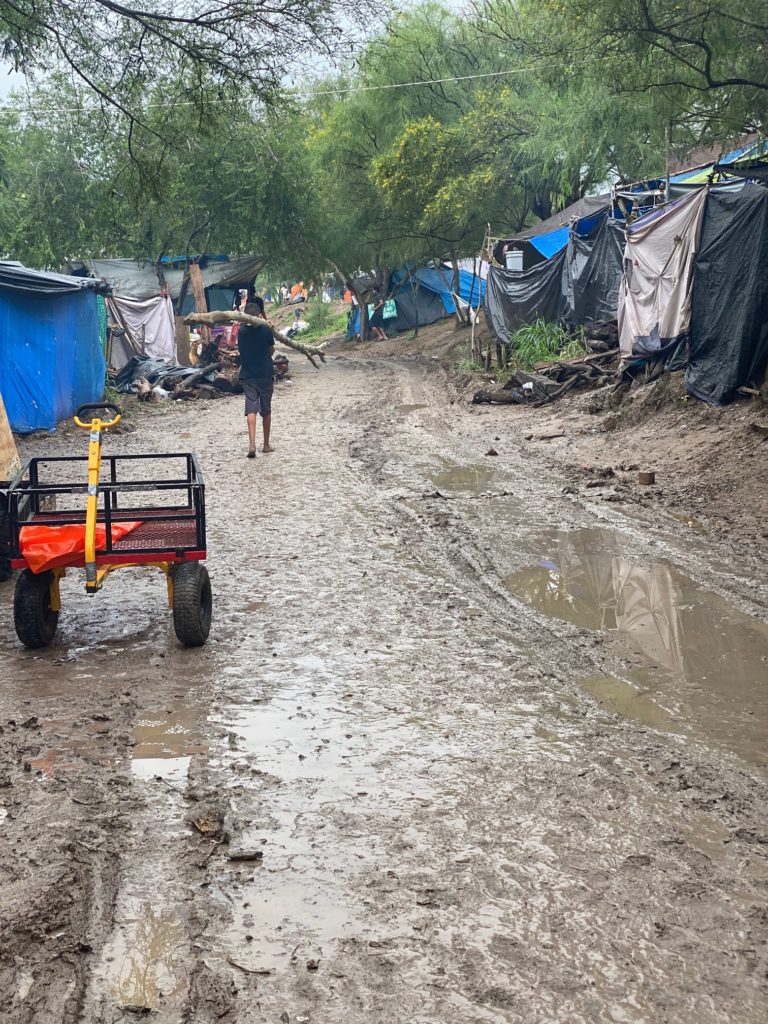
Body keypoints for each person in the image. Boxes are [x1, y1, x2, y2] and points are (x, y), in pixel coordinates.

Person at [238, 298, 275, 457]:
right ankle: (266, 445)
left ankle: (252, 445)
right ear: (259, 315)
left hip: (248, 375)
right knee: (265, 410)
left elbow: (242, 351)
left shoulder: (241, 332)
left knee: (251, 408)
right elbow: (271, 351)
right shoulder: (266, 329)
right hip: (265, 374)